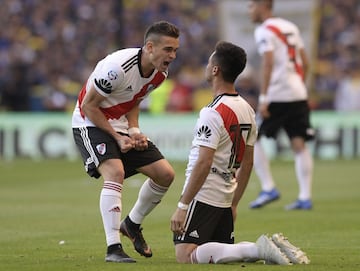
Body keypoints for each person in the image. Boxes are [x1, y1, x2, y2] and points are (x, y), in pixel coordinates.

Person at [170, 41, 309, 265]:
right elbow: (248, 162)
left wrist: (183, 206)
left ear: (215, 69)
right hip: (226, 195)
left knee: (185, 255)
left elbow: (204, 163)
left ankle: (258, 249)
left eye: (209, 62)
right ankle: (273, 246)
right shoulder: (246, 108)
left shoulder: (212, 112)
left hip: (205, 193)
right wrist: (234, 203)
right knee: (222, 251)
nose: (206, 66)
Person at [72, 21, 180, 263]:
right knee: (115, 172)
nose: (172, 56)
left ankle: (131, 224)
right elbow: (89, 105)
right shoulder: (117, 68)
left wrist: (134, 130)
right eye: (168, 49)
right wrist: (117, 137)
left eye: (175, 50)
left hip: (119, 124)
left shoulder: (160, 75)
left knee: (165, 174)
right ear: (150, 47)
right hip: (89, 122)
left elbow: (134, 100)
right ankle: (113, 249)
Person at [247, 0, 315, 210]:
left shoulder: (264, 30)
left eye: (252, 6)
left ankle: (268, 187)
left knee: (252, 137)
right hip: (297, 93)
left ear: (262, 6)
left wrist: (264, 98)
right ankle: (305, 197)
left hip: (277, 94)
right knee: (299, 143)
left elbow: (268, 62)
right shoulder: (289, 27)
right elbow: (305, 61)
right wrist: (300, 86)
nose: (250, 10)